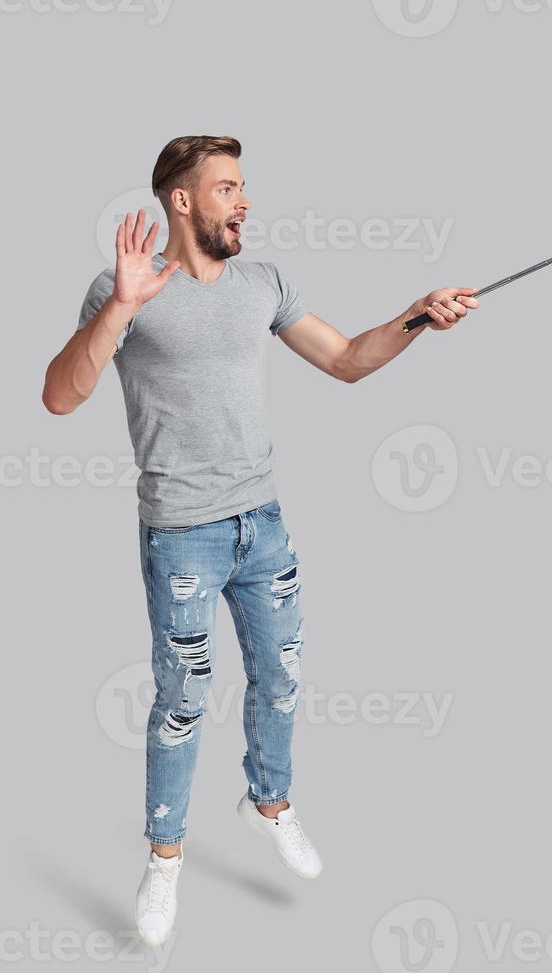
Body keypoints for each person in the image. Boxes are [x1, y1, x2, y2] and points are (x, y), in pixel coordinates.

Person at [41, 134, 480, 946]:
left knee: (281, 677)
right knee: (182, 702)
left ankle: (268, 804)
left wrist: (419, 315)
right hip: (182, 535)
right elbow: (61, 398)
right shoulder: (123, 288)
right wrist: (122, 306)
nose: (244, 201)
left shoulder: (262, 284)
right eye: (227, 188)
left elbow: (347, 360)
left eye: (244, 188)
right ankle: (165, 858)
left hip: (263, 525)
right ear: (182, 200)